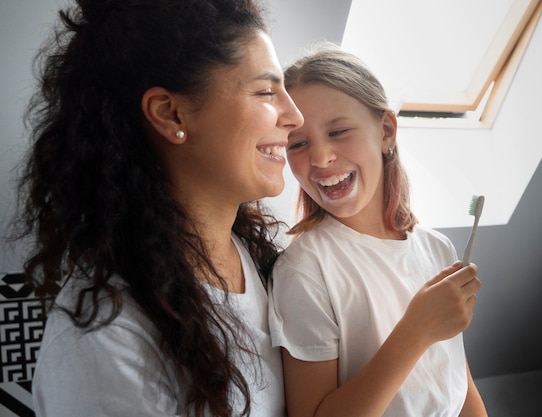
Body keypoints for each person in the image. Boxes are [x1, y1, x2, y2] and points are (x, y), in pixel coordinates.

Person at [13, 0, 303, 416]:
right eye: (265, 91)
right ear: (170, 113)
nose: (294, 115)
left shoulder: (257, 256)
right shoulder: (104, 337)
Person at [268, 45, 488, 417]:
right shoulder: (305, 272)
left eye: (338, 131)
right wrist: (417, 330)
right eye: (298, 143)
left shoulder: (437, 249)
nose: (320, 158)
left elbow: (457, 386)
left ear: (386, 131)